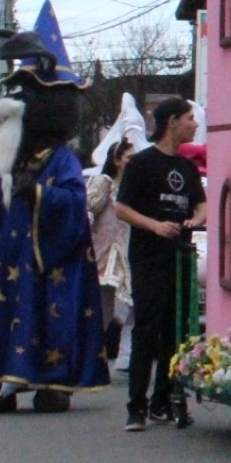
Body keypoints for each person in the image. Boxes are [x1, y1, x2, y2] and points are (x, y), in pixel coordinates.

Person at [0, 30, 106, 413]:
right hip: (13, 258)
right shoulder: (16, 161)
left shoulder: (61, 159)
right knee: (4, 318)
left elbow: (72, 202)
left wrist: (37, 195)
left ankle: (52, 382)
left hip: (51, 265)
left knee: (50, 319)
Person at [116, 98, 205, 432]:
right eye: (189, 118)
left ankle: (163, 400)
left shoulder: (187, 168)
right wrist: (154, 225)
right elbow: (121, 208)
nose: (194, 124)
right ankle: (136, 406)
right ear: (171, 122)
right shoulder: (141, 163)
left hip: (179, 257)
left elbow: (201, 205)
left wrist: (195, 219)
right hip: (148, 257)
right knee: (147, 329)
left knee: (175, 331)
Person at [88, 139, 134, 374]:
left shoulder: (133, 185)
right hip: (104, 253)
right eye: (129, 158)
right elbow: (87, 212)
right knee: (102, 309)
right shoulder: (103, 182)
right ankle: (89, 357)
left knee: (133, 305)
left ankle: (126, 358)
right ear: (116, 160)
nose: (133, 162)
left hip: (126, 254)